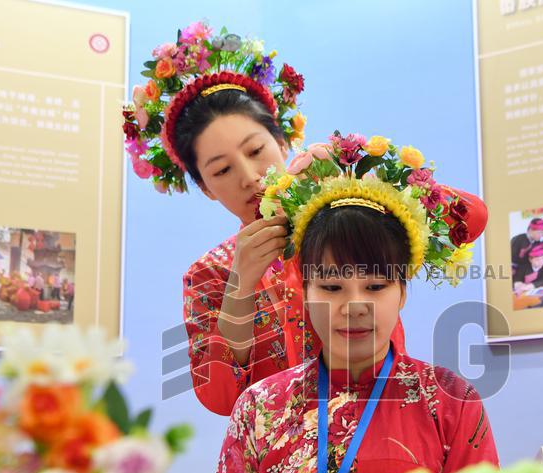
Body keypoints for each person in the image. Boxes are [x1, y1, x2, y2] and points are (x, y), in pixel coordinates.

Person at [125, 23, 484, 416]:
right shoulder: (210, 273)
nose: (249, 176)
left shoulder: (351, 217)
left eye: (256, 149)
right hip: (276, 452)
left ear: (283, 144)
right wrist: (240, 286)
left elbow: (471, 219)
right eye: (222, 171)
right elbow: (220, 399)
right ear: (206, 188)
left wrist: (366, 170)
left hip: (382, 425)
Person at [210, 134, 497, 473]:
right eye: (332, 288)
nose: (355, 305)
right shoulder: (259, 407)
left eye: (375, 287)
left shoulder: (450, 401)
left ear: (402, 294)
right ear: (307, 293)